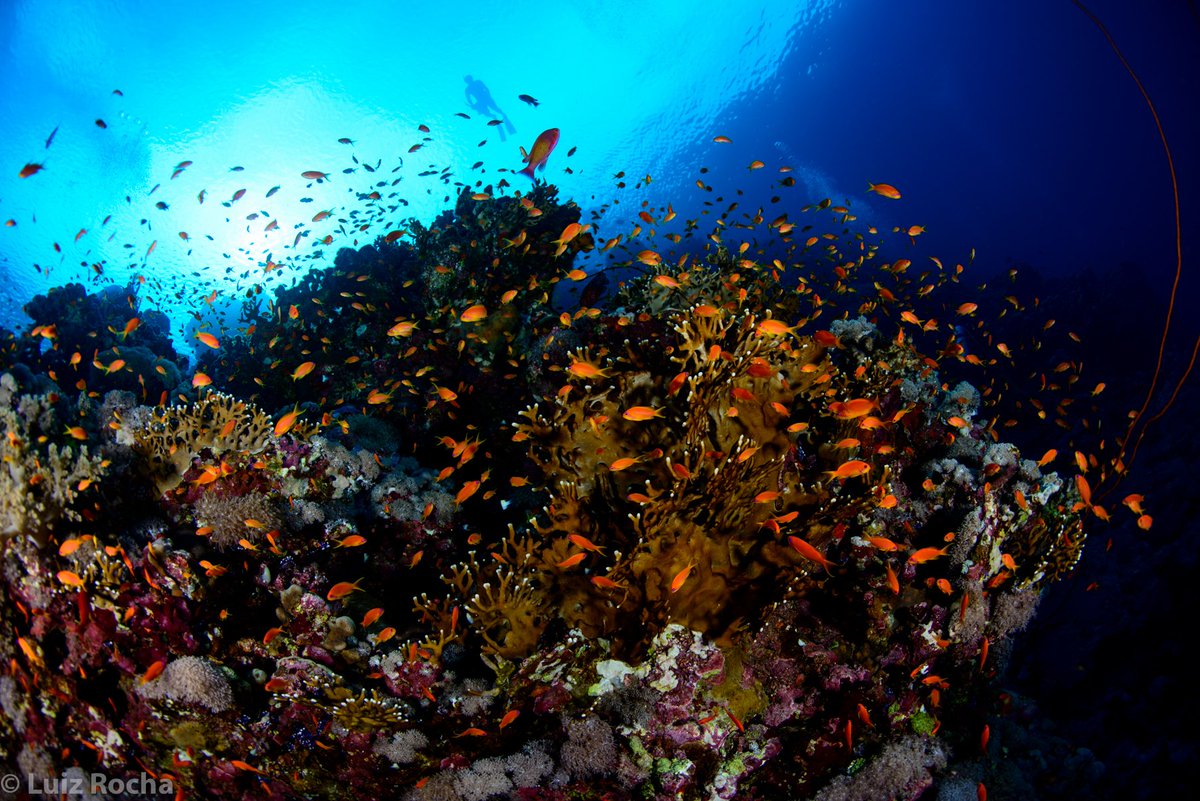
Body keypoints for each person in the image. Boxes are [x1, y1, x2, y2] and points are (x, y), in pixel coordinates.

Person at [464, 75, 515, 141]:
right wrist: (474, 104)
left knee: (494, 110)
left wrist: (473, 105)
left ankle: (499, 116)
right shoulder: (472, 86)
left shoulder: (471, 87)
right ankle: (497, 117)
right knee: (492, 111)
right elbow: (470, 99)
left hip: (483, 100)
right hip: (483, 100)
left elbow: (470, 99)